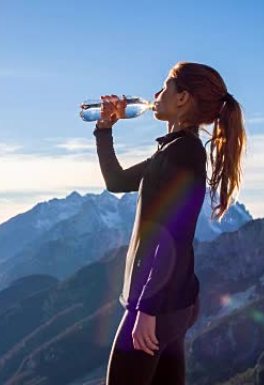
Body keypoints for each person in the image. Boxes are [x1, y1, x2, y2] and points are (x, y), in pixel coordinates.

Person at [94, 61, 247, 385]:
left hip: (157, 305)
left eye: (164, 86)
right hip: (174, 302)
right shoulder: (174, 151)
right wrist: (105, 128)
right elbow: (117, 181)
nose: (155, 94)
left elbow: (173, 236)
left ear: (182, 98)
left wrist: (146, 310)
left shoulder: (182, 154)